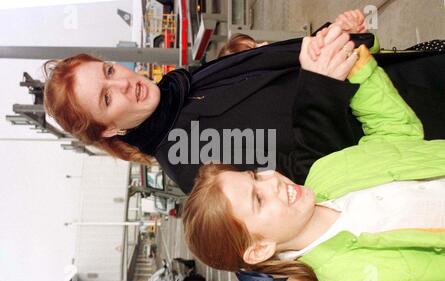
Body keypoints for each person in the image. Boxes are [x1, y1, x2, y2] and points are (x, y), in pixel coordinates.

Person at [43, 9, 445, 194]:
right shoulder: (189, 158)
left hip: (405, 77)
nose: (126, 83)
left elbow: (287, 69)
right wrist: (322, 84)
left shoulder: (184, 82)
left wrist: (332, 36)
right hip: (415, 132)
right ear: (110, 129)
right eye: (107, 97)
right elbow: (306, 179)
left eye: (110, 71)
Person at [182, 45, 445, 281]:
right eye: (258, 199)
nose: (271, 179)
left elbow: (397, 135)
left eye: (255, 175)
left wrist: (357, 68)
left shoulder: (325, 170)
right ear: (260, 248)